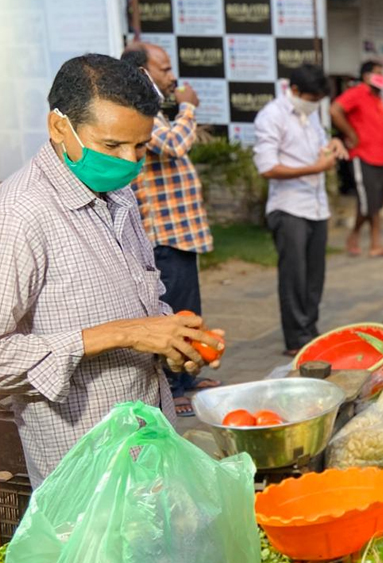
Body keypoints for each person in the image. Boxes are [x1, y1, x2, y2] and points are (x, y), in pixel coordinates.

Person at [0, 54, 223, 487]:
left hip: (149, 446)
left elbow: (143, 299)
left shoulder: (118, 195)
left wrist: (173, 335)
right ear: (59, 127)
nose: (130, 161)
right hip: (86, 475)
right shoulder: (20, 215)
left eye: (140, 147)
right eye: (112, 146)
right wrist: (121, 334)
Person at [121, 42, 219, 417]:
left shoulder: (153, 112)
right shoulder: (138, 113)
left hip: (180, 230)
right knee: (172, 312)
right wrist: (189, 106)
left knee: (187, 309)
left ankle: (188, 380)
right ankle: (174, 387)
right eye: (164, 68)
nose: (172, 76)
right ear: (143, 72)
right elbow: (176, 145)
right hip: (161, 231)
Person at [253, 64, 348, 356]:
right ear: (294, 91)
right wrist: (315, 168)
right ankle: (295, 339)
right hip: (289, 206)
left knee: (314, 276)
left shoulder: (311, 114)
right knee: (294, 275)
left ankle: (311, 331)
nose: (315, 103)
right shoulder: (272, 116)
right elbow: (267, 167)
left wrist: (332, 144)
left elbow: (320, 146)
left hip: (316, 206)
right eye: (311, 97)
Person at [331, 60, 383, 258]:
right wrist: (350, 134)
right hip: (363, 156)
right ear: (367, 76)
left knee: (375, 203)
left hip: (381, 158)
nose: (382, 77)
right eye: (378, 73)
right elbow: (335, 110)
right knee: (368, 203)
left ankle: (371, 242)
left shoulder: (377, 98)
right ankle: (363, 239)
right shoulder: (359, 92)